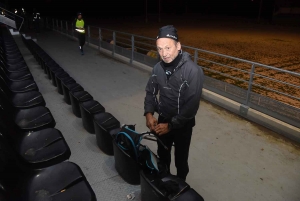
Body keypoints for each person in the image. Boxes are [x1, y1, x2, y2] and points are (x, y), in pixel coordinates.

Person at [144, 25, 204, 181]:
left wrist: (171, 125)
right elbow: (150, 91)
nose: (164, 54)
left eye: (168, 48)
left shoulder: (193, 71)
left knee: (181, 160)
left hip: (183, 125)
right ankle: (163, 182)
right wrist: (149, 113)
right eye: (160, 49)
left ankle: (180, 187)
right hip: (163, 118)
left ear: (178, 46)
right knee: (163, 155)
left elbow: (191, 107)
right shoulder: (157, 68)